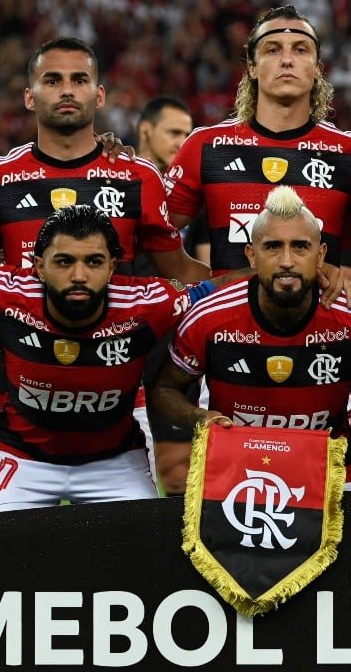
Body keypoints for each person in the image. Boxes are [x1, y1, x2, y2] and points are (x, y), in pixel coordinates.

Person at [0, 206, 236, 512]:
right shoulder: (2, 290)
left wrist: (285, 273)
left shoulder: (149, 302)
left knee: (139, 564)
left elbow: (226, 288)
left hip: (114, 463)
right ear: (39, 266)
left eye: (94, 261)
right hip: (22, 459)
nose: (80, 275)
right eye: (64, 261)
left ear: (113, 266)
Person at [150, 186, 351, 490]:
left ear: (321, 254)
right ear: (252, 255)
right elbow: (165, 388)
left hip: (333, 472)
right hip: (237, 473)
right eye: (273, 247)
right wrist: (198, 416)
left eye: (300, 246)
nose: (287, 260)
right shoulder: (208, 316)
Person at [162, 5, 351, 279]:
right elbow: (148, 233)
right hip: (228, 320)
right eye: (273, 49)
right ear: (252, 67)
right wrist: (206, 287)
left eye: (301, 50)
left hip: (319, 319)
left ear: (317, 68)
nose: (287, 60)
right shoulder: (205, 146)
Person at [0, 37, 207, 282]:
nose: (67, 91)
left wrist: (242, 283)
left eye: (79, 80)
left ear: (100, 96)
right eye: (52, 81)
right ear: (29, 98)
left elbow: (183, 272)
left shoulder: (139, 178)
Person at [134, 95, 199, 496]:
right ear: (145, 131)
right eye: (174, 132)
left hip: (179, 343)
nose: (183, 142)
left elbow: (201, 268)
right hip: (128, 343)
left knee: (178, 473)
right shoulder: (120, 182)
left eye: (189, 134)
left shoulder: (195, 197)